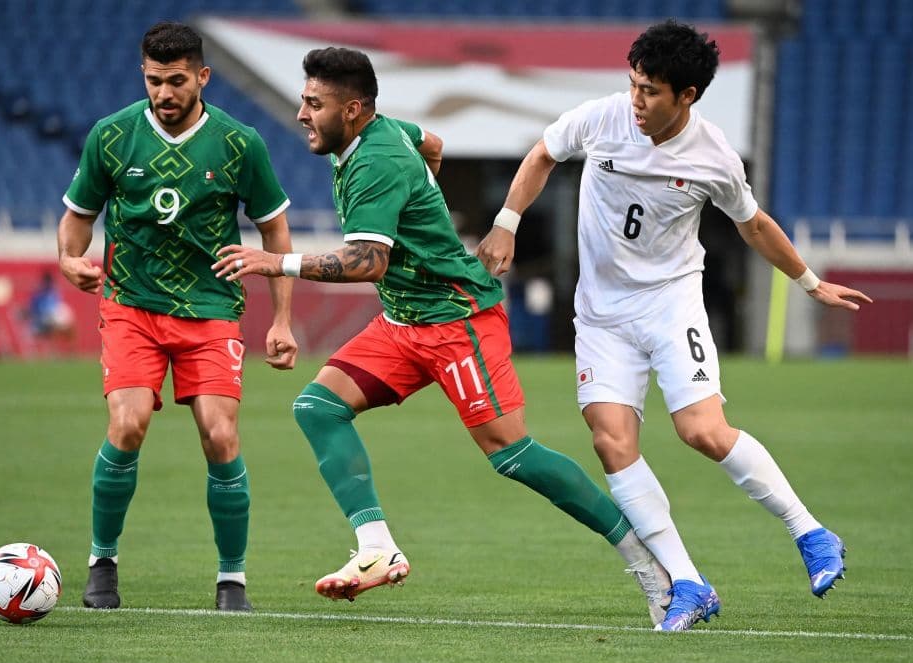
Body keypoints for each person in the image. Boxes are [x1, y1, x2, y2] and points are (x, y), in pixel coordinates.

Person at [213, 46, 673, 626]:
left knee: (512, 454)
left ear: (352, 110)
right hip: (403, 322)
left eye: (314, 104)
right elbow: (432, 143)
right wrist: (424, 196)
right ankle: (377, 547)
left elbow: (367, 262)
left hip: (457, 322)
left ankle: (647, 562)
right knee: (318, 408)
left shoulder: (376, 160)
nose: (302, 114)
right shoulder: (380, 133)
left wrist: (274, 262)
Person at [475, 20, 873, 631]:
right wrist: (507, 221)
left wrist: (810, 282)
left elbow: (753, 224)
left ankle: (811, 532)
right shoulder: (602, 118)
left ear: (687, 95)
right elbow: (544, 154)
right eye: (633, 84)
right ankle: (688, 583)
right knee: (611, 441)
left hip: (669, 304)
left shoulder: (714, 156)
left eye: (651, 91)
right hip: (601, 315)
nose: (636, 100)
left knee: (702, 431)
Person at [57, 21, 298, 612]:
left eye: (177, 81)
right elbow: (78, 216)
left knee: (220, 434)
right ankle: (102, 563)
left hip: (211, 308)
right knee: (128, 424)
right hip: (131, 305)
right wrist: (68, 260)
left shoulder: (239, 143)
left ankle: (232, 580)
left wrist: (281, 320)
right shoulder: (112, 136)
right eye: (154, 81)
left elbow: (275, 231)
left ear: (202, 77)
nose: (164, 93)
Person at [26, 270, 76, 350]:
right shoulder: (39, 293)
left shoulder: (54, 291)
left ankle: (71, 346)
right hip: (43, 317)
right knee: (52, 323)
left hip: (54, 314)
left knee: (68, 320)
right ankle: (54, 346)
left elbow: (57, 304)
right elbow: (34, 308)